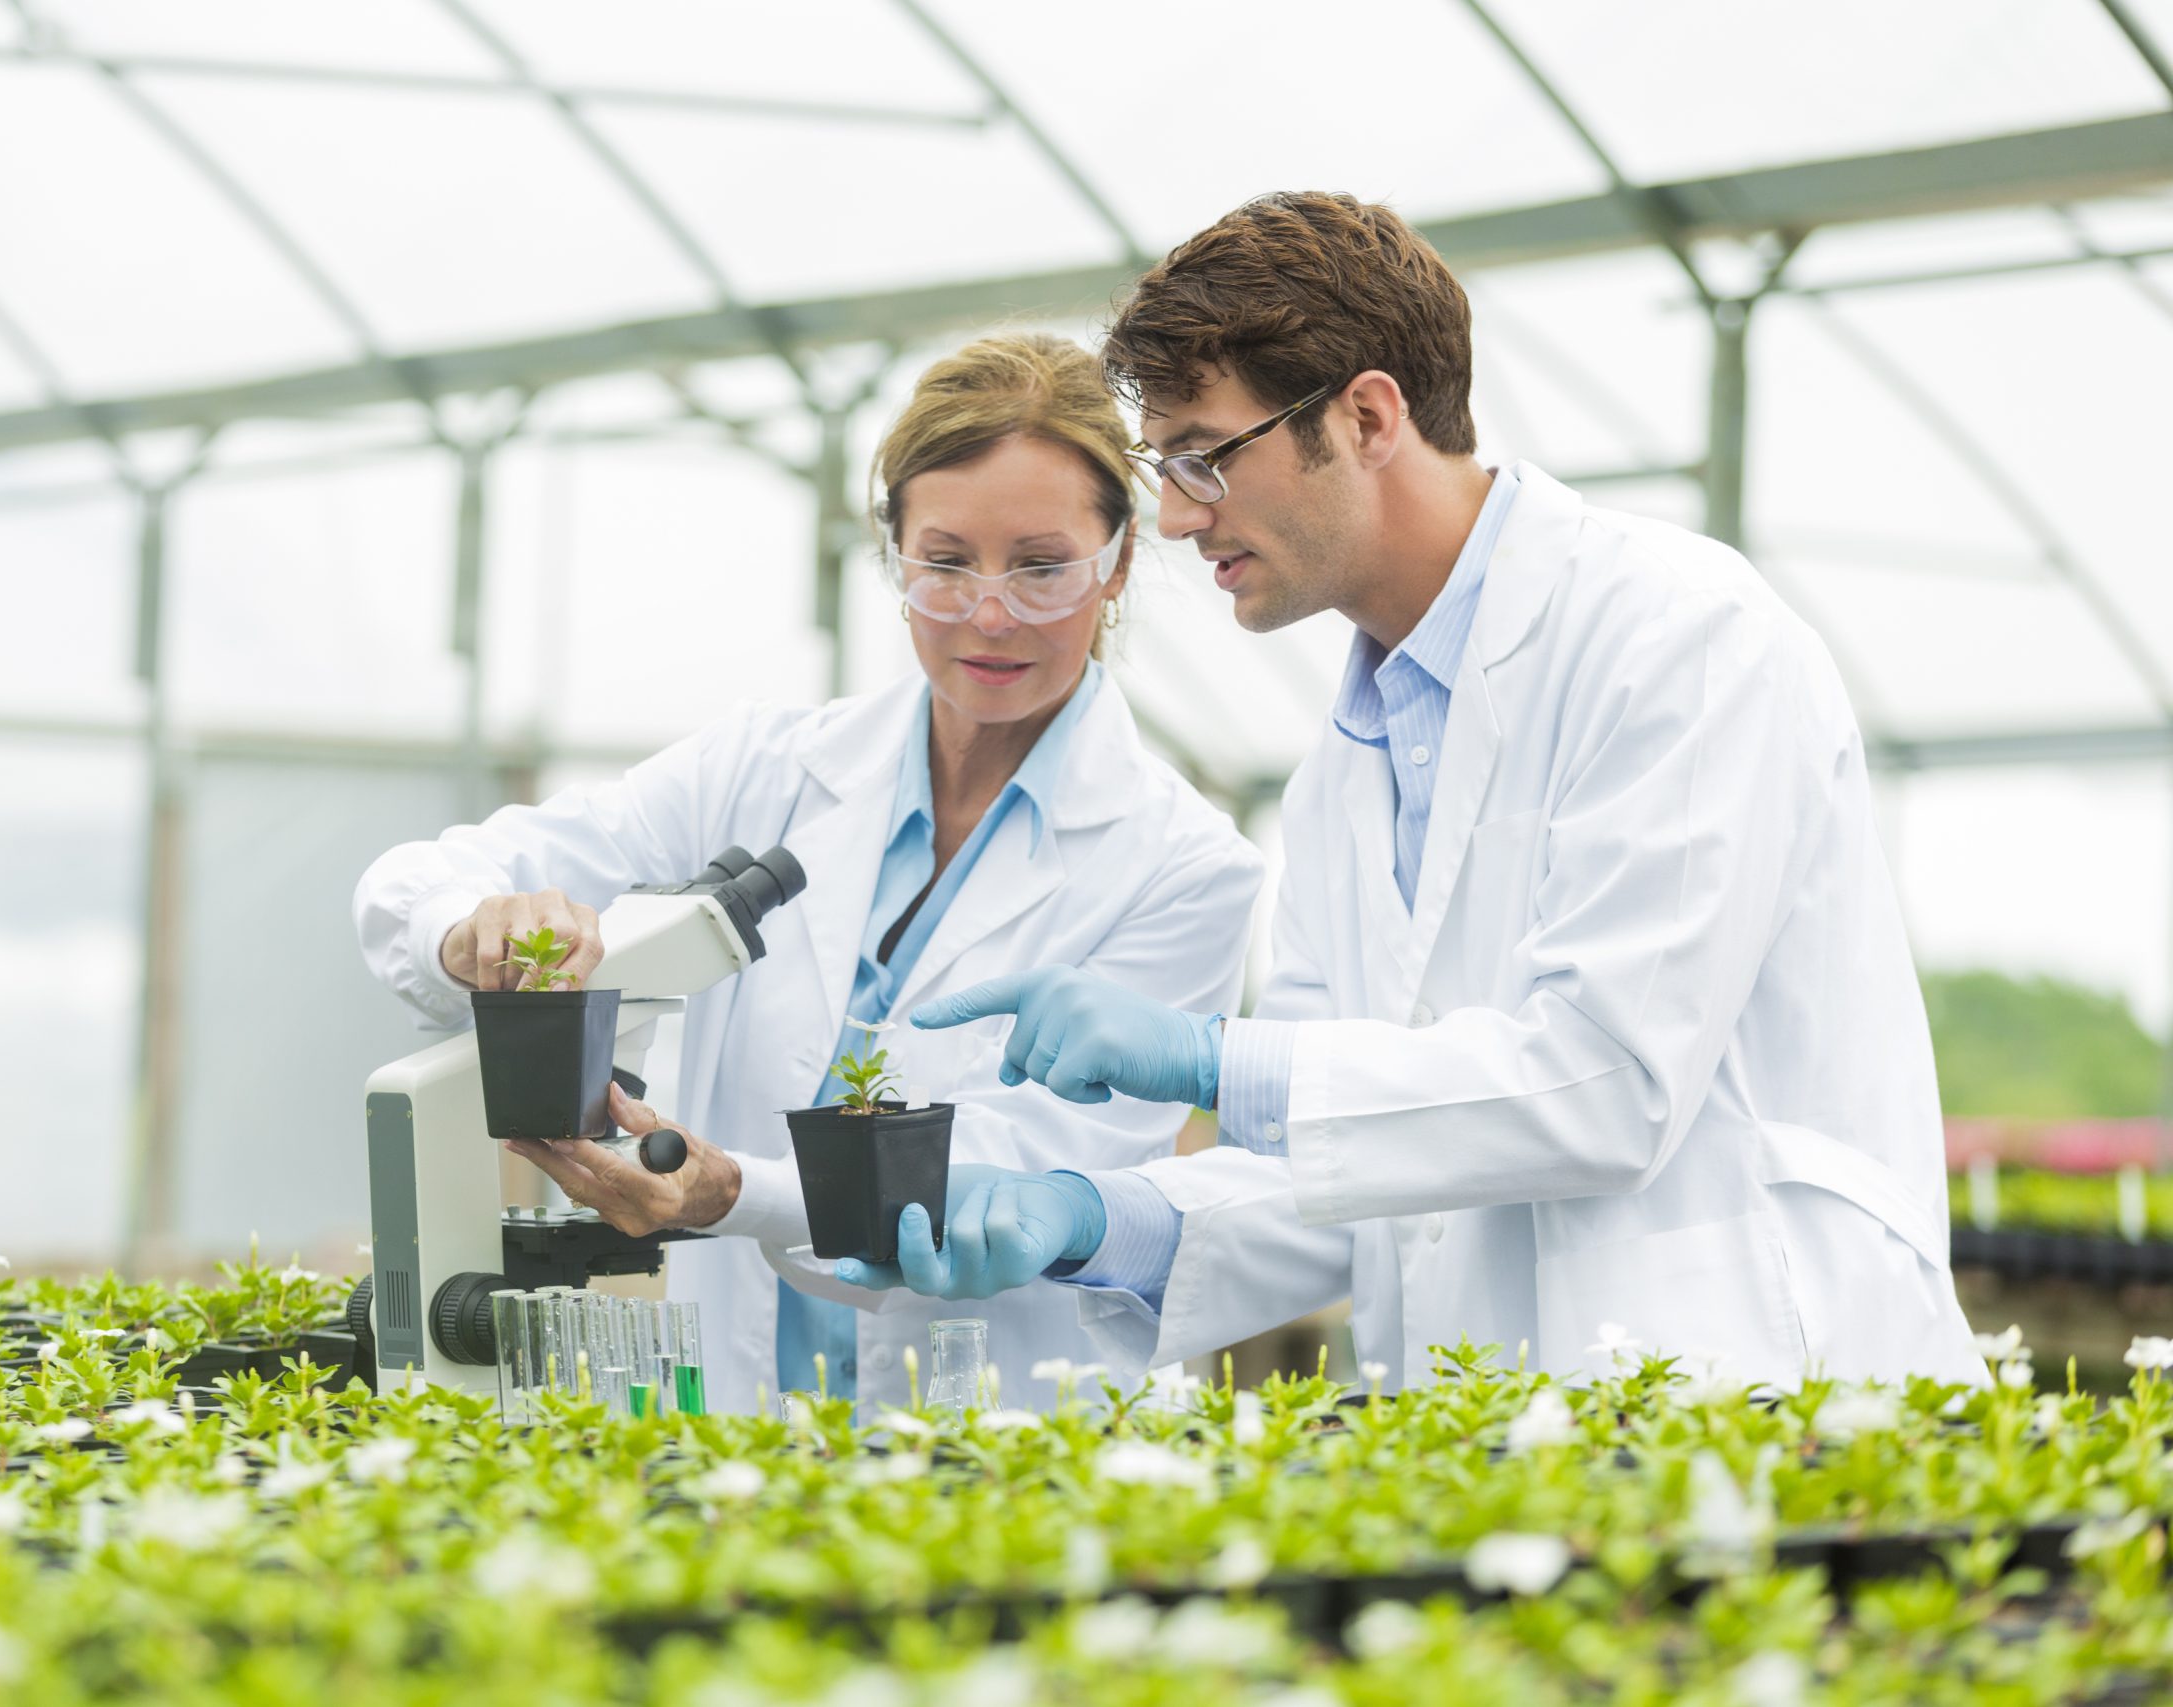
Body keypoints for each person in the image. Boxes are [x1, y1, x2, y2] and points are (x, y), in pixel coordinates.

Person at [840, 193, 1985, 1394]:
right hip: (1496, 1435)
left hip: (1757, 1394)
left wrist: (1213, 1059)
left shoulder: (1678, 641)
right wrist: (1090, 1220)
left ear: (1368, 415)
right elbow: (1334, 1162)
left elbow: (1605, 1082)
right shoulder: (1348, 764)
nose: (1176, 517)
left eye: (1202, 457)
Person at [353, 334, 1263, 1413]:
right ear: (892, 557)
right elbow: (419, 879)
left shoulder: (1185, 867)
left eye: (1040, 565)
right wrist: (475, 925)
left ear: (1114, 562)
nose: (988, 612)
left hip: (1006, 1429)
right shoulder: (767, 770)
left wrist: (728, 1194)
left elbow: (1024, 1178)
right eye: (946, 560)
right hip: (739, 1418)